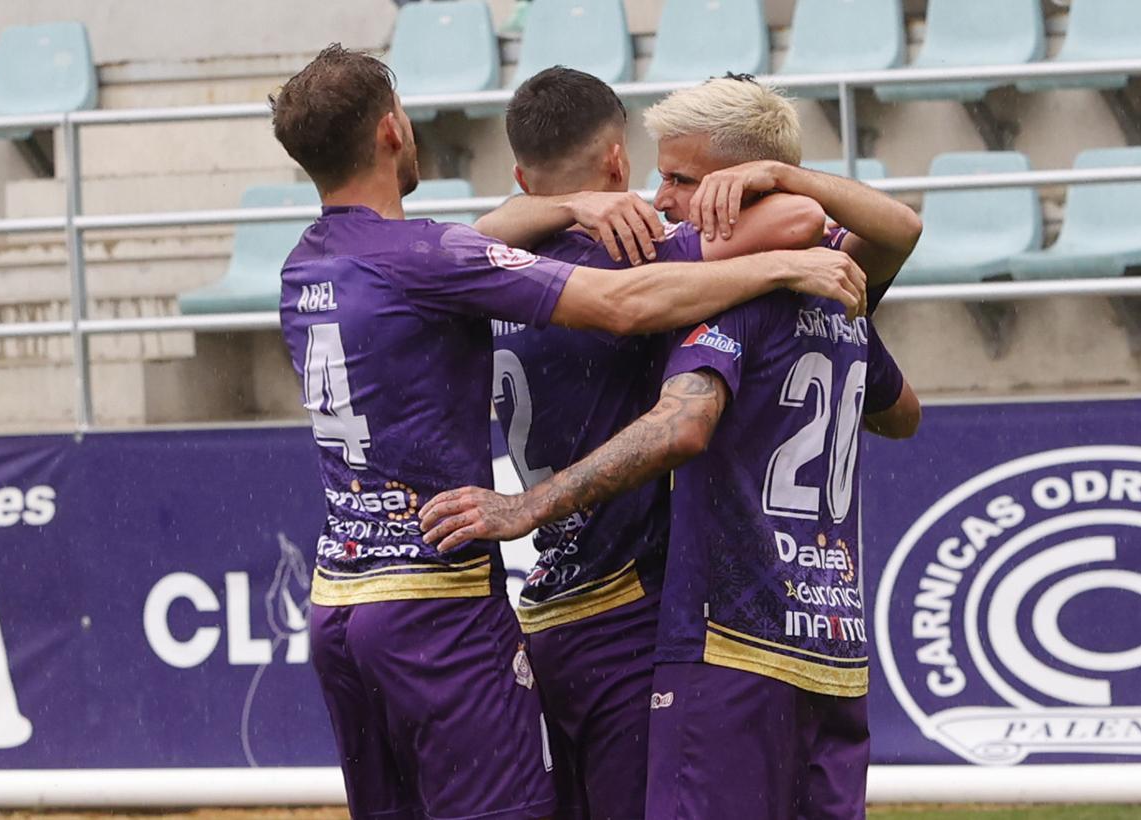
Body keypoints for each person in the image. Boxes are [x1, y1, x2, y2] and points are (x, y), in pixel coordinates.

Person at [270, 46, 870, 820]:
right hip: (462, 598)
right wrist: (781, 268)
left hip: (344, 606)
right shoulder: (443, 257)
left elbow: (474, 236)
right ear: (392, 130)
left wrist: (561, 206)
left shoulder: (305, 266)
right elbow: (641, 299)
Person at [419, 77, 922, 820]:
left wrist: (527, 507)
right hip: (786, 630)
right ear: (617, 163)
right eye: (657, 175)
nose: (659, 197)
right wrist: (782, 236)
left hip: (637, 623)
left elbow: (684, 421)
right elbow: (899, 401)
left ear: (522, 175)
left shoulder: (496, 278)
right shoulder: (680, 269)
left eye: (681, 179)